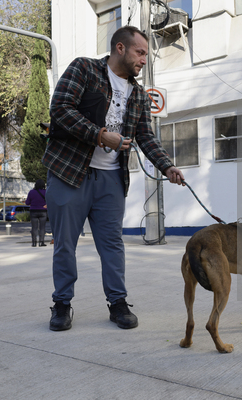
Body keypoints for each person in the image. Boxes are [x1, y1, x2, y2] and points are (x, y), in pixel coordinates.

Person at [43, 26, 185, 332]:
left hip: (110, 179)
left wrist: (166, 166)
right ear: (120, 48)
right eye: (140, 52)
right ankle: (62, 304)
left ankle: (118, 303)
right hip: (69, 172)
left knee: (112, 245)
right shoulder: (85, 69)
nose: (144, 60)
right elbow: (60, 109)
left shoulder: (138, 94)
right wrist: (99, 135)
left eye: (146, 54)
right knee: (65, 244)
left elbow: (145, 136)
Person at [25, 179, 48, 247]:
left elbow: (27, 203)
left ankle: (34, 243)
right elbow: (51, 200)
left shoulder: (31, 192)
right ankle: (41, 242)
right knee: (42, 227)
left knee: (34, 228)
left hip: (33, 211)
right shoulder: (46, 192)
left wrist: (33, 203)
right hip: (43, 211)